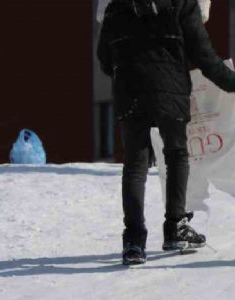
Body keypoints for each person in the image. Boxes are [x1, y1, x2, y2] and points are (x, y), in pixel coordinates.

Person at [97, 0, 235, 265]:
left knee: (135, 165)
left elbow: (104, 59)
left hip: (130, 93)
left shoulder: (116, 7)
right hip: (169, 91)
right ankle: (175, 227)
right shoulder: (182, 4)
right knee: (176, 156)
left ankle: (134, 241)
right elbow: (205, 58)